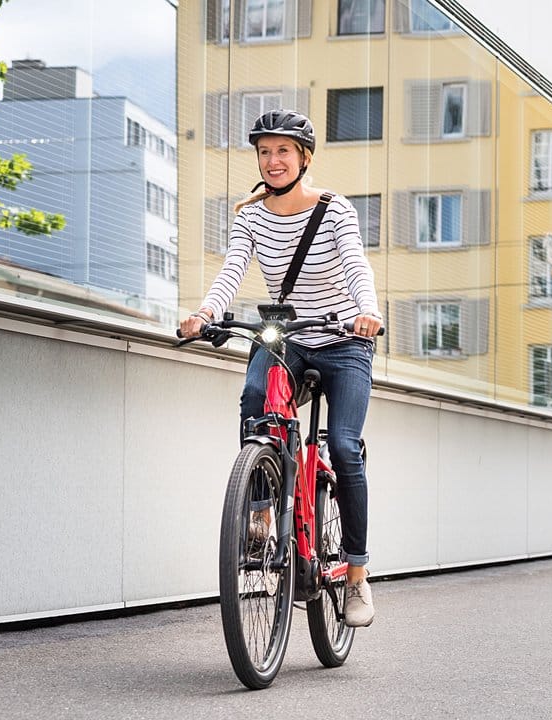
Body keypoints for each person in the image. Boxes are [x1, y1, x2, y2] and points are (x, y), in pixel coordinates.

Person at [179, 109, 382, 627]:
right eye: (265, 152)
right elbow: (233, 270)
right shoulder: (249, 216)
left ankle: (357, 575)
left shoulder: (334, 210)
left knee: (342, 445)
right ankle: (262, 511)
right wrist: (204, 314)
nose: (272, 160)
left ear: (303, 158)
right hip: (287, 338)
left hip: (342, 340)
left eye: (283, 151)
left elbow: (357, 264)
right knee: (254, 398)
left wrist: (368, 312)